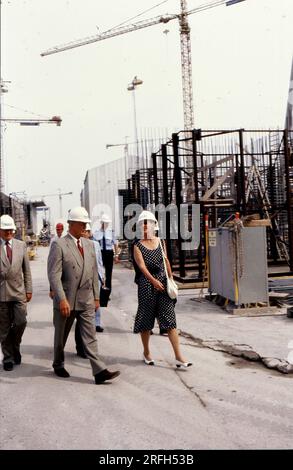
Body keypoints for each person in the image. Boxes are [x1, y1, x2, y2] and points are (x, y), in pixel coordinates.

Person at [47, 206, 120, 384]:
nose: (85, 227)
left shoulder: (89, 244)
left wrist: (96, 297)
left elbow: (94, 272)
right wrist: (61, 299)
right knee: (61, 336)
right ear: (72, 224)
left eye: (86, 224)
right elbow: (54, 274)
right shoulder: (59, 244)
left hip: (86, 298)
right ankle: (58, 363)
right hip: (67, 299)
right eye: (82, 224)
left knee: (90, 336)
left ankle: (99, 371)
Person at [133, 210, 192, 368]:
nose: (145, 226)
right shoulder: (137, 245)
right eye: (142, 224)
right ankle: (146, 352)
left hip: (164, 284)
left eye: (147, 223)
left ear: (154, 225)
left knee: (170, 320)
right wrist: (153, 281)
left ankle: (179, 356)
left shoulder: (161, 241)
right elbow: (142, 267)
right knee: (146, 320)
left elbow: (165, 260)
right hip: (146, 286)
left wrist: (171, 278)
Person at [0, 214, 32, 371]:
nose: (8, 233)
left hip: (19, 291)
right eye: (5, 230)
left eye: (10, 230)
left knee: (21, 322)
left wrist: (29, 289)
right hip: (2, 293)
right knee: (4, 327)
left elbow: (26, 270)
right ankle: (8, 357)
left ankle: (15, 347)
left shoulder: (21, 245)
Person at [75, 223, 105, 358]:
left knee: (93, 311)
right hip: (82, 285)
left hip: (95, 280)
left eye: (87, 231)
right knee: (84, 317)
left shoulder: (96, 245)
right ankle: (82, 347)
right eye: (83, 231)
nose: (84, 234)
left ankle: (89, 347)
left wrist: (102, 276)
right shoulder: (76, 245)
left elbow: (99, 262)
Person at [93, 214, 119, 293]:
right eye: (105, 223)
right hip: (100, 253)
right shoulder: (97, 233)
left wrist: (116, 255)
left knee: (108, 273)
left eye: (107, 223)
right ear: (102, 223)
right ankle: (100, 290)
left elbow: (115, 244)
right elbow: (94, 245)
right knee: (100, 272)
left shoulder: (111, 232)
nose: (107, 224)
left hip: (109, 253)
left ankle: (107, 292)